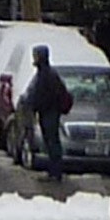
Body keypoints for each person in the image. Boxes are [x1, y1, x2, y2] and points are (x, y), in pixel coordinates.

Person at [21, 43, 74, 183]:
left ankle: (55, 172)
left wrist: (37, 105)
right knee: (50, 142)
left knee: (52, 142)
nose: (34, 58)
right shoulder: (44, 73)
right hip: (47, 112)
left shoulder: (47, 74)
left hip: (50, 112)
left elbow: (47, 95)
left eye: (36, 55)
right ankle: (53, 171)